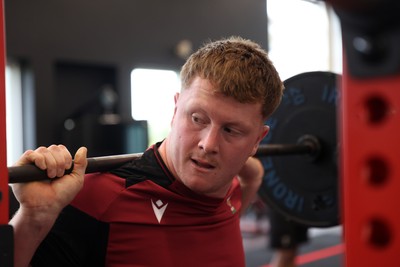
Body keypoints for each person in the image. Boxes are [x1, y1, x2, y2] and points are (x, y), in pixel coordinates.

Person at [9, 36, 284, 267]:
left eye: (231, 131)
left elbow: (253, 176)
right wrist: (33, 219)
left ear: (257, 141)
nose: (208, 144)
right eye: (197, 119)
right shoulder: (98, 199)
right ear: (176, 110)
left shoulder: (232, 189)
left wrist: (247, 170)